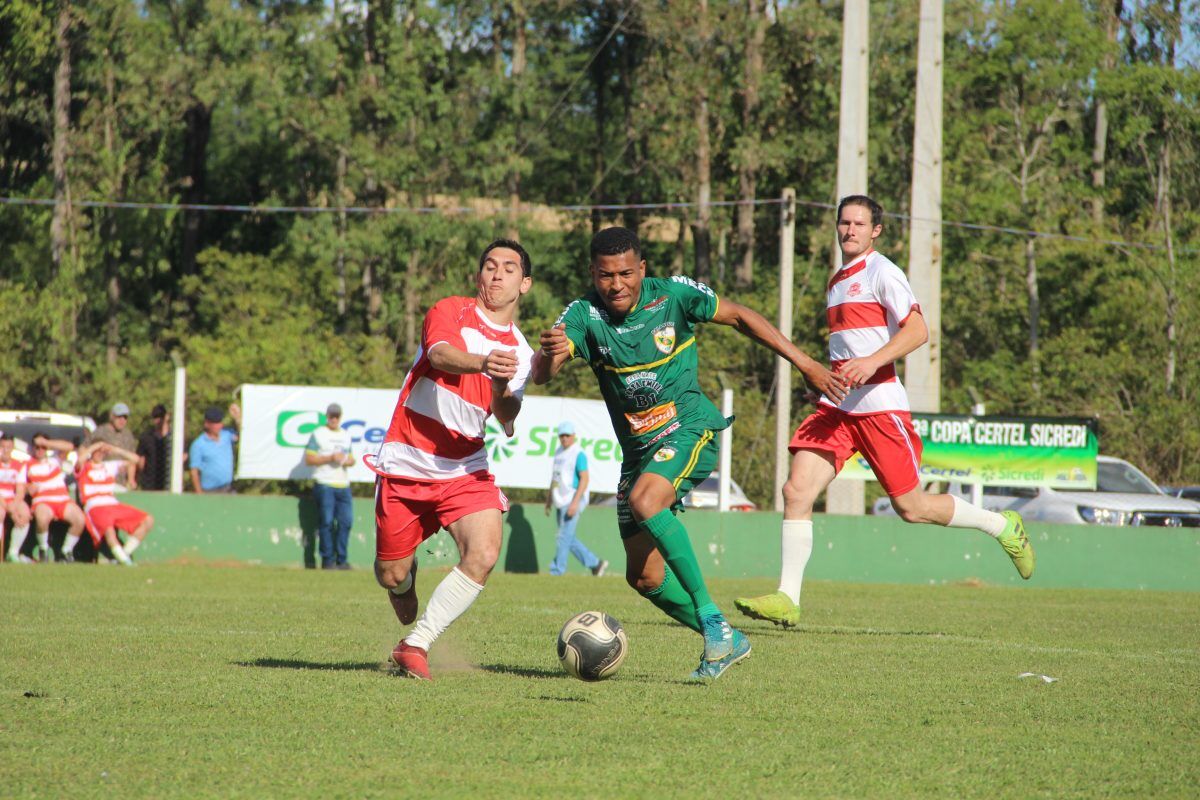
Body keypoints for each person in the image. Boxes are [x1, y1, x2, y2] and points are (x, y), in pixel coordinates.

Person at [532, 226, 848, 680]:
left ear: (642, 269)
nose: (616, 284)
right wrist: (550, 354)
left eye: (625, 273)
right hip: (638, 453)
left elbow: (740, 317)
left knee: (646, 501)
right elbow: (544, 374)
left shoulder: (674, 296)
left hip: (689, 427)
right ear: (592, 274)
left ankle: (715, 624)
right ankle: (725, 638)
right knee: (643, 579)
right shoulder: (583, 314)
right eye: (605, 276)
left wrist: (806, 363)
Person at [734, 195, 1035, 629]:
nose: (850, 230)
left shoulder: (883, 271)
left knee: (911, 508)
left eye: (859, 224)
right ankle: (788, 597)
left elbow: (917, 330)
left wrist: (872, 362)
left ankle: (1000, 525)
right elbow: (848, 346)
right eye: (844, 223)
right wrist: (821, 377)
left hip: (879, 407)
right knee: (796, 491)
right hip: (837, 407)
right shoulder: (837, 279)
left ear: (876, 231)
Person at [367, 239, 535, 681]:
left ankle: (416, 645)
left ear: (525, 284)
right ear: (479, 276)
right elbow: (440, 355)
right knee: (390, 575)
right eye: (490, 266)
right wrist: (484, 363)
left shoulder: (521, 352)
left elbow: (507, 416)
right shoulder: (449, 311)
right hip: (407, 459)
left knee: (484, 551)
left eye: (509, 269)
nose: (497, 275)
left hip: (465, 467)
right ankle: (406, 575)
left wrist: (500, 386)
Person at [543, 420, 607, 577]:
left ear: (573, 436)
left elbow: (584, 479)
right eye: (561, 436)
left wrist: (575, 503)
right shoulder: (558, 452)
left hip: (573, 499)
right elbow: (555, 477)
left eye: (567, 435)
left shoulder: (578, 454)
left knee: (563, 536)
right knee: (567, 537)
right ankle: (596, 564)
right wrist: (549, 499)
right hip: (560, 498)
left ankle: (557, 571)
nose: (564, 438)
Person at [75, 440, 154, 565]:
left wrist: (115, 449)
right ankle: (126, 562)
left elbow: (136, 460)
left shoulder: (109, 466)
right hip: (95, 506)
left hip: (112, 504)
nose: (100, 453)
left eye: (103, 451)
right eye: (98, 451)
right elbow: (80, 459)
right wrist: (95, 446)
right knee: (109, 531)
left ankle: (123, 555)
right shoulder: (84, 467)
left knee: (147, 520)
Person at [305, 403, 356, 570]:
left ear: (340, 417)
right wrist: (330, 457)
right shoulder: (318, 434)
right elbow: (309, 459)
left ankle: (342, 560)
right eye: (331, 416)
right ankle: (327, 560)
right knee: (326, 522)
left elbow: (351, 459)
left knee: (346, 522)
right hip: (324, 483)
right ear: (327, 416)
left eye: (336, 416)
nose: (334, 419)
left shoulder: (346, 435)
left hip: (343, 485)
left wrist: (345, 460)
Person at [25, 433, 87, 563]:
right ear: (32, 448)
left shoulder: (55, 459)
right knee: (42, 519)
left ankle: (66, 551)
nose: (40, 450)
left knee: (79, 519)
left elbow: (70, 446)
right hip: (43, 500)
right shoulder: (27, 464)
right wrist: (27, 487)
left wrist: (46, 443)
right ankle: (43, 549)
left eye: (43, 447)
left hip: (62, 499)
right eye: (37, 447)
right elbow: (19, 484)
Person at [84, 402, 139, 488]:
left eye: (125, 417)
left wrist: (131, 480)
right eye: (119, 417)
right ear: (112, 417)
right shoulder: (100, 432)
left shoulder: (128, 435)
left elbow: (133, 460)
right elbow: (83, 449)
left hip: (120, 483)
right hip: (101, 481)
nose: (122, 420)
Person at [189, 404, 241, 494]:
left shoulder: (227, 435)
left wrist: (238, 419)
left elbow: (242, 436)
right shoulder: (198, 444)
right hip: (209, 491)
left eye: (220, 422)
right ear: (207, 424)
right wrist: (199, 493)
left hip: (227, 489)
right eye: (215, 423)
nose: (219, 426)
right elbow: (194, 471)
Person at [1, 430, 33, 563]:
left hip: (11, 498)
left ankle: (12, 553)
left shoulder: (19, 465)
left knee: (25, 513)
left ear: (13, 448)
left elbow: (20, 490)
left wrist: (14, 505)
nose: (5, 450)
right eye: (2, 447)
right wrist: (9, 509)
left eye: (8, 447)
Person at [136, 404, 172, 491]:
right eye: (155, 417)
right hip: (149, 485)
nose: (158, 420)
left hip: (169, 485)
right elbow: (140, 461)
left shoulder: (175, 438)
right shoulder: (146, 437)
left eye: (161, 416)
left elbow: (183, 456)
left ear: (167, 416)